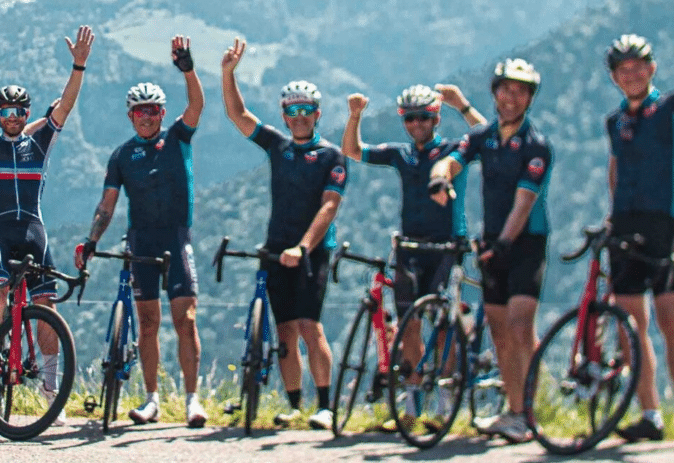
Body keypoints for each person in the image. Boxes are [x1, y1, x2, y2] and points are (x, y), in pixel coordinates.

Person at [0, 25, 92, 426]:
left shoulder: (40, 143)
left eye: (18, 112)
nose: (12, 117)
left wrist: (78, 66)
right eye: (5, 112)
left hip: (34, 231)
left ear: (27, 115)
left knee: (46, 305)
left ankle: (50, 387)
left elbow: (65, 106)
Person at [74, 35, 207, 428]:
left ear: (161, 112)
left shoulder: (178, 137)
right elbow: (107, 205)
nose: (146, 117)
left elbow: (196, 106)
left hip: (176, 240)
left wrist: (188, 70)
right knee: (148, 324)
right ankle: (152, 400)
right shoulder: (121, 156)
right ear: (130, 116)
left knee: (186, 320)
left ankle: (193, 400)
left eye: (152, 110)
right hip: (141, 243)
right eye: (139, 111)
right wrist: (91, 241)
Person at [342, 84, 485, 431]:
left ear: (436, 118)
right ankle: (411, 406)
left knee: (443, 324)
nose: (416, 124)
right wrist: (355, 116)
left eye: (423, 117)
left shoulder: (454, 151)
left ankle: (444, 406)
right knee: (409, 325)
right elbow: (353, 150)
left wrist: (462, 106)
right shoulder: (400, 154)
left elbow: (489, 138)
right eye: (409, 118)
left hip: (447, 247)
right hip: (409, 247)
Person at [221, 38, 345, 430]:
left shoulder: (331, 156)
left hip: (312, 253)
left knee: (310, 326)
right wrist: (228, 73)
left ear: (317, 114)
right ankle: (294, 405)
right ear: (285, 115)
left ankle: (325, 406)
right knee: (284, 330)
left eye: (307, 110)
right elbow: (238, 114)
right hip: (276, 249)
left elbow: (329, 206)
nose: (300, 116)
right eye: (293, 110)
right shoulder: (278, 146)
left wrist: (303, 247)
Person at [429, 58, 553, 443]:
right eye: (505, 89)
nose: (511, 97)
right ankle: (513, 413)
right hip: (491, 245)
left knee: (520, 326)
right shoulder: (484, 136)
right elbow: (454, 159)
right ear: (495, 93)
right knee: (499, 332)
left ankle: (528, 413)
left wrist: (502, 244)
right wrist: (439, 177)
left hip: (525, 244)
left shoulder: (536, 145)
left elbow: (523, 204)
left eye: (520, 91)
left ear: (529, 98)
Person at [604, 33, 673, 442]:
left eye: (638, 67)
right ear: (615, 77)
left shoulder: (668, 109)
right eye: (623, 70)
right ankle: (651, 414)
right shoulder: (615, 121)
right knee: (629, 326)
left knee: (670, 320)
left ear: (652, 69)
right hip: (625, 226)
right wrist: (613, 217)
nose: (631, 75)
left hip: (666, 223)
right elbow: (615, 169)